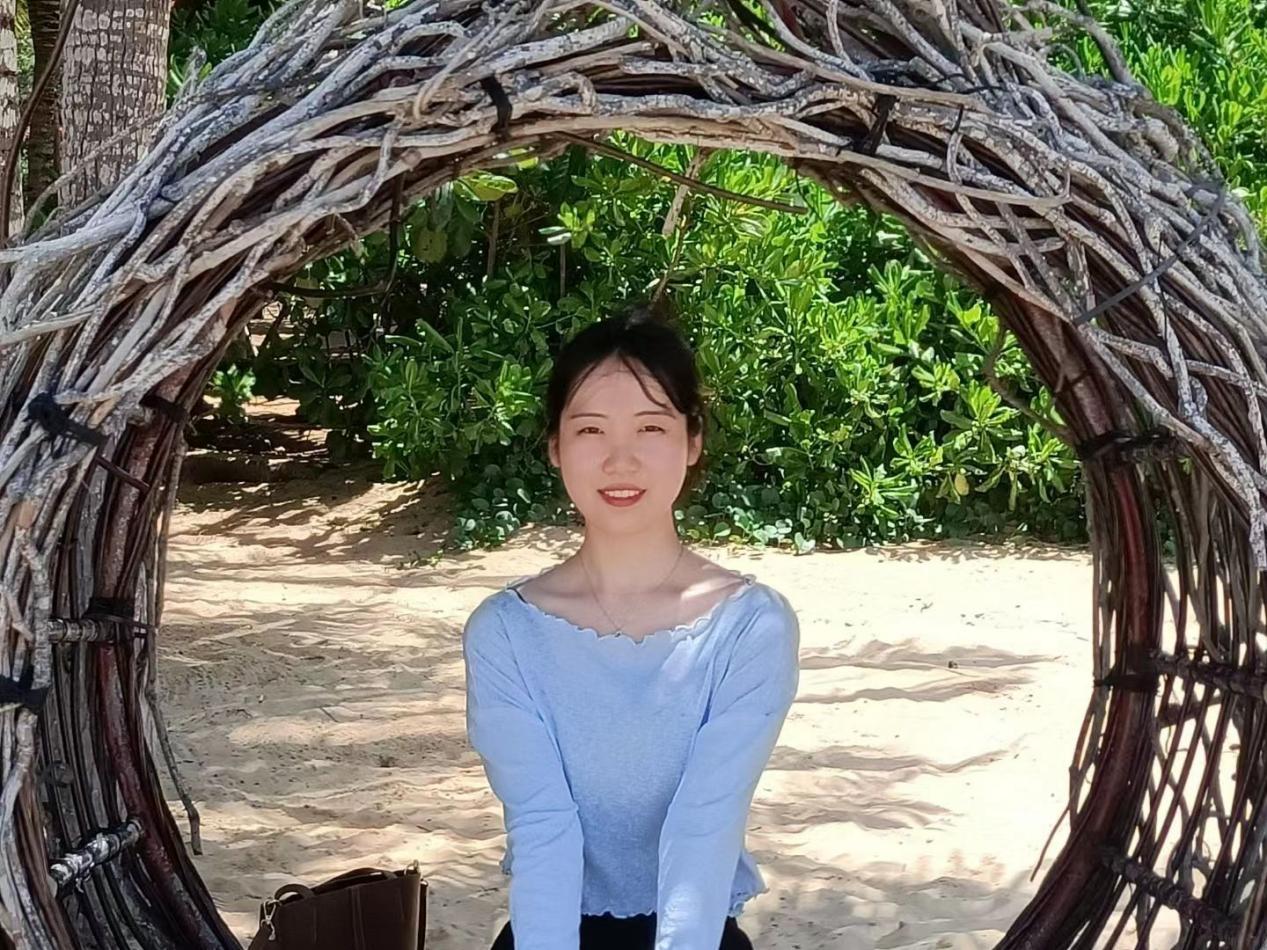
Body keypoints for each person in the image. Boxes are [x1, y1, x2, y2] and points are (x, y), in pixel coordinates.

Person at [461, 303, 801, 950]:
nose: (620, 460)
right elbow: (542, 825)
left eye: (651, 427)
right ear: (555, 446)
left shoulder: (750, 626)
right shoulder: (504, 631)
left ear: (692, 441)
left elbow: (704, 824)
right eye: (591, 430)